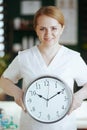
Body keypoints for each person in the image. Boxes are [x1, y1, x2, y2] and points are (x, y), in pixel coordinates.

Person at [0, 5, 87, 130]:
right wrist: (17, 93)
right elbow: (4, 80)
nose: (48, 34)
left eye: (54, 28)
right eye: (42, 29)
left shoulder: (73, 58)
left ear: (62, 28)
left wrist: (79, 96)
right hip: (30, 126)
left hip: (64, 126)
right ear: (36, 29)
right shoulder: (24, 57)